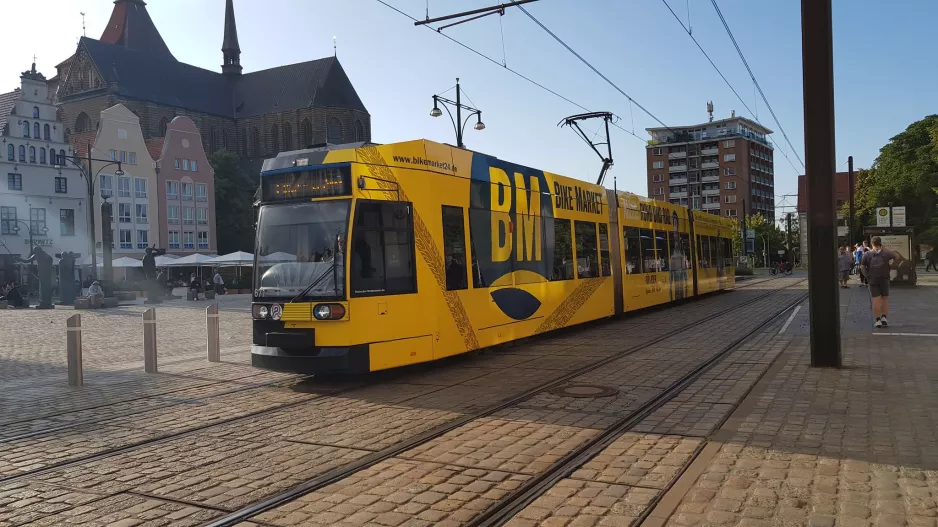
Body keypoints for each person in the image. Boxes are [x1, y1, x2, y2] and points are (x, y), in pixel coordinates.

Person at [861, 236, 896, 328]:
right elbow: (895, 257)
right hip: (885, 278)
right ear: (880, 243)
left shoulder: (867, 254)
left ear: (872, 244)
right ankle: (884, 318)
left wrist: (867, 277)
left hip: (873, 279)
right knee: (885, 299)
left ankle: (878, 320)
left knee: (876, 300)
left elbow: (862, 267)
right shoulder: (887, 253)